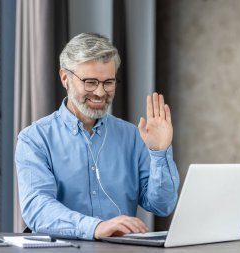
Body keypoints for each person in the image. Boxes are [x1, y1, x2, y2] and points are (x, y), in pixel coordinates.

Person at [15, 33, 179, 240]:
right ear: (65, 78)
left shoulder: (133, 136)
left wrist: (159, 152)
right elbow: (37, 208)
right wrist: (95, 227)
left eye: (108, 82)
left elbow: (162, 205)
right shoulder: (35, 139)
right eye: (90, 82)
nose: (101, 93)